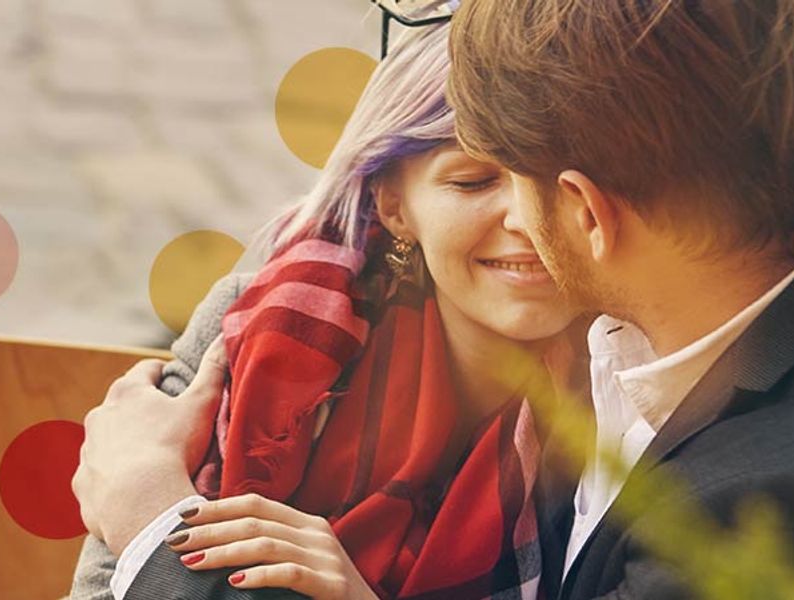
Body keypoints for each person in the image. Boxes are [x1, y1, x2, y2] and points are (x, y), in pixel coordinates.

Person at [78, 0, 794, 598]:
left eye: (519, 177)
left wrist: (151, 514)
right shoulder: (747, 188)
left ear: (585, 214)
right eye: (473, 178)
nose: (513, 221)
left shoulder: (783, 498)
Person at [70, 20, 587, 600]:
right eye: (472, 181)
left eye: (563, 181)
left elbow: (139, 530)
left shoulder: (631, 401)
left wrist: (152, 509)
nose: (528, 220)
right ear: (393, 204)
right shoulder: (260, 325)